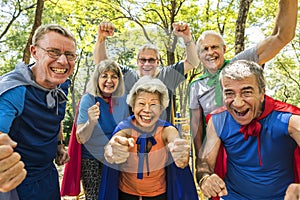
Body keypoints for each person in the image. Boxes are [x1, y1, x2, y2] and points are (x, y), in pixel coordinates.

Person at [189, 0, 298, 168]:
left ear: (224, 49)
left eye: (214, 47)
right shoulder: (196, 85)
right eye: (205, 49)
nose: (210, 52)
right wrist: (200, 162)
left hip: (249, 141)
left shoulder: (240, 64)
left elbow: (281, 36)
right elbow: (196, 127)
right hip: (218, 147)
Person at [196, 60, 300, 199]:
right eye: (229, 93)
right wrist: (205, 178)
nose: (237, 103)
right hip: (233, 196)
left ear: (262, 93)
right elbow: (205, 162)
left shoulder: (290, 120)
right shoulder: (218, 121)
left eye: (246, 92)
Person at [0, 24, 75, 199]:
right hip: (17, 184)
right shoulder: (13, 90)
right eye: (53, 52)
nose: (63, 61)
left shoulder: (62, 84)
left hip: (48, 176)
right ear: (34, 52)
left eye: (69, 55)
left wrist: (59, 146)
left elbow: (57, 117)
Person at [99, 76, 198, 200]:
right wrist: (111, 150)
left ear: (161, 109)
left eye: (153, 105)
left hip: (158, 195)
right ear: (133, 106)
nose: (147, 110)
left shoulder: (167, 130)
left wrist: (180, 152)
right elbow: (114, 143)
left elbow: (174, 140)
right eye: (141, 103)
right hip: (126, 194)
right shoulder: (125, 128)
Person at [94, 21, 199, 122]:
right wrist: (101, 38)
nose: (147, 64)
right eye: (143, 60)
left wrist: (187, 37)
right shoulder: (129, 75)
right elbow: (102, 63)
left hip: (162, 137)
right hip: (133, 136)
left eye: (151, 60)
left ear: (158, 62)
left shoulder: (167, 75)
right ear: (137, 62)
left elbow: (192, 62)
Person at [74, 59, 126, 199]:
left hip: (115, 158)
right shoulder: (88, 100)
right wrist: (91, 122)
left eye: (114, 76)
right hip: (92, 159)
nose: (109, 80)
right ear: (97, 79)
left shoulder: (123, 100)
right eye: (104, 76)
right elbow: (81, 138)